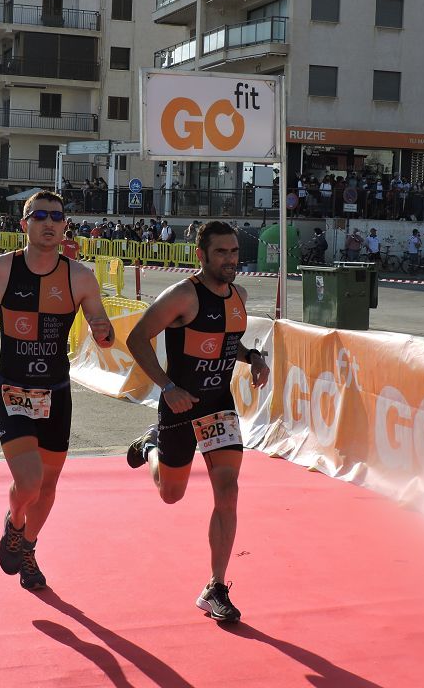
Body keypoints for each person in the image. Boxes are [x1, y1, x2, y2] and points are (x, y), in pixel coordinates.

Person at [0, 191, 114, 591]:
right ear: (23, 224)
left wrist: (103, 332)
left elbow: (101, 324)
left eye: (56, 217)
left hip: (56, 392)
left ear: (64, 225)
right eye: (39, 216)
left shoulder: (79, 276)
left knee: (48, 487)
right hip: (12, 389)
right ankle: (15, 522)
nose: (49, 223)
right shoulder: (0, 269)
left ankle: (27, 547)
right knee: (29, 482)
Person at [124, 221, 269, 622]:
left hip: (218, 406)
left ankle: (215, 586)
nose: (230, 259)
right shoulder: (182, 295)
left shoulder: (239, 295)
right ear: (201, 255)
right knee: (172, 494)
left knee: (228, 488)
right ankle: (151, 445)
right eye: (221, 252)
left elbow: (227, 343)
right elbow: (137, 338)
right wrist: (167, 387)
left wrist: (253, 357)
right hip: (179, 406)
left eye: (235, 252)